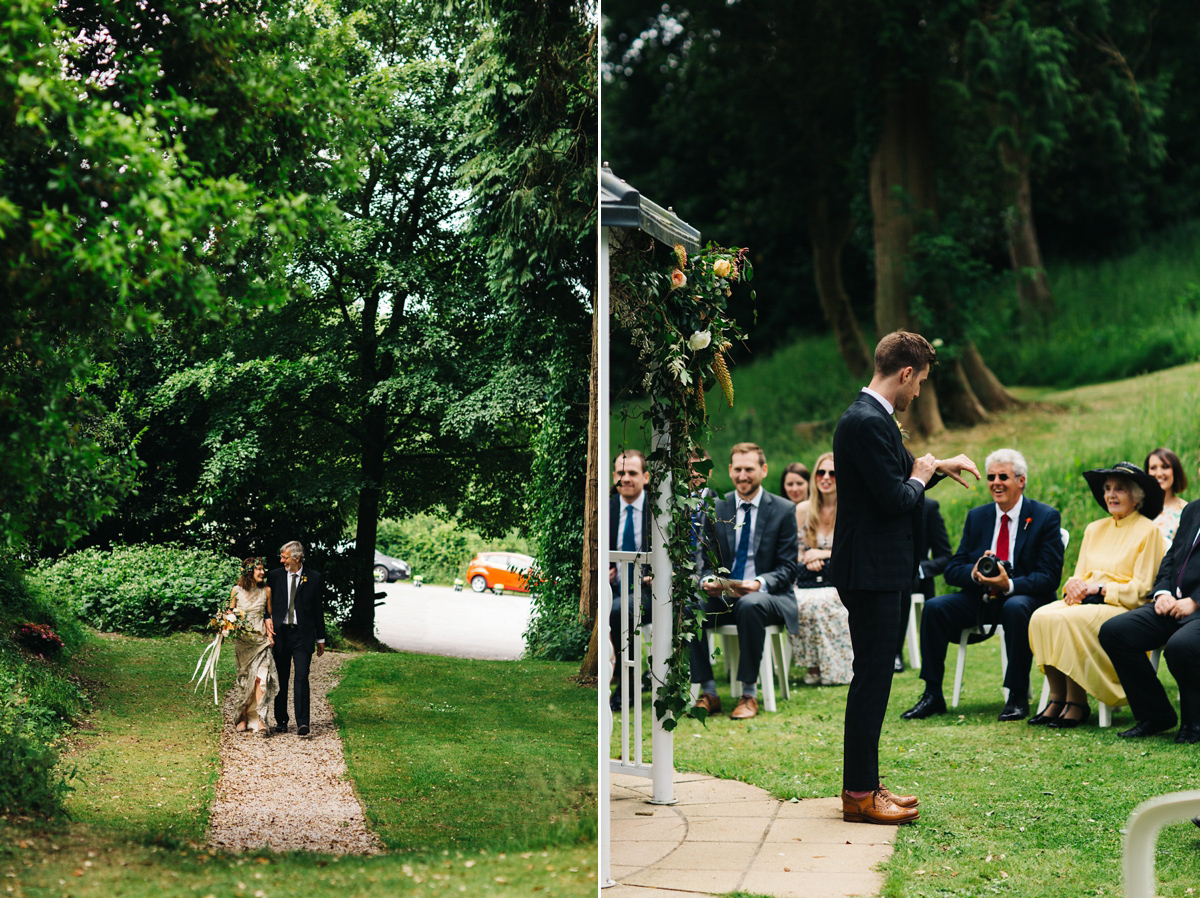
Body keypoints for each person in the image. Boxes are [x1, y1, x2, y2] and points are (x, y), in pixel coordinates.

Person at [829, 330, 979, 825]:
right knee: (872, 678)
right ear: (905, 373)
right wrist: (920, 474)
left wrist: (936, 466)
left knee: (875, 677)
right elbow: (897, 496)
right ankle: (858, 794)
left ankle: (867, 784)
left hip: (878, 568)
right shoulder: (865, 422)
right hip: (870, 571)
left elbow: (896, 481)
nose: (919, 394)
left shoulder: (874, 418)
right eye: (920, 384)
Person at [900, 449, 1064, 722]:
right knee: (934, 607)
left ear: (1021, 481)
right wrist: (975, 573)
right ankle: (932, 694)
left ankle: (1017, 695)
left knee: (1015, 606)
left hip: (1024, 600)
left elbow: (1048, 577)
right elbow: (952, 569)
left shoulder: (1045, 517)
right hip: (981, 597)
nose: (996, 482)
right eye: (990, 477)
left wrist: (1008, 583)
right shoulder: (978, 517)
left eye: (1003, 476)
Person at [1027, 462, 1166, 728]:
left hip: (1122, 608)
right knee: (1040, 616)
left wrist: (1101, 590)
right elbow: (1079, 576)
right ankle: (1057, 698)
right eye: (1108, 489)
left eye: (1120, 489)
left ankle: (1077, 702)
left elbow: (1141, 590)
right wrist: (1073, 586)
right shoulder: (1094, 528)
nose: (1111, 495)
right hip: (1086, 602)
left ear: (1137, 497)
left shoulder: (1149, 531)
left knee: (1066, 620)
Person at [691, 442, 799, 720]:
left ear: (763, 470)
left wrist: (758, 583)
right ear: (729, 470)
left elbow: (788, 568)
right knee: (691, 605)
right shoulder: (717, 506)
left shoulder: (784, 510)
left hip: (769, 595)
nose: (742, 475)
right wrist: (708, 580)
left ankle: (749, 694)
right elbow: (706, 558)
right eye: (737, 469)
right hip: (726, 594)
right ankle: (710, 691)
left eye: (749, 469)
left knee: (750, 604)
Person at [1099, 469, 1200, 743]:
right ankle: (1156, 715)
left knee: (1181, 647)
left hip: (1197, 608)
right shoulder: (1193, 510)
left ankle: (1194, 724)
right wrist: (1163, 592)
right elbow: (1172, 559)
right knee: (1115, 631)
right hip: (1173, 605)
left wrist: (1195, 600)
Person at [790, 452, 852, 686]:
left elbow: (855, 549)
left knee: (825, 602)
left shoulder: (850, 509)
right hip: (807, 579)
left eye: (833, 473)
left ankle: (837, 668)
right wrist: (807, 557)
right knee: (800, 602)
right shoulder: (803, 510)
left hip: (838, 579)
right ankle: (813, 666)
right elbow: (793, 549)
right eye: (821, 472)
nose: (826, 478)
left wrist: (824, 554)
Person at [608, 449, 653, 712]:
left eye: (632, 473)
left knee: (619, 609)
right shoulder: (607, 507)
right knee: (615, 607)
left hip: (648, 591)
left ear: (645, 477)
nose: (625, 478)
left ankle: (628, 679)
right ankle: (623, 673)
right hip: (613, 587)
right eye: (620, 473)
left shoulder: (658, 510)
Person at [269, 541, 327, 736]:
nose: (281, 560)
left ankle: (303, 722)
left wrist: (321, 638)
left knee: (302, 677)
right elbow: (266, 605)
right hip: (281, 634)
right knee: (281, 677)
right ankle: (281, 720)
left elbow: (318, 610)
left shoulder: (314, 578)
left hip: (303, 635)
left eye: (284, 557)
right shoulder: (275, 576)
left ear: (297, 558)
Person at [895, 497, 952, 672]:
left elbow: (945, 557)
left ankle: (894, 653)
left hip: (914, 578)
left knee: (903, 580)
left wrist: (918, 569)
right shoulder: (880, 503)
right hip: (881, 570)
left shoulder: (929, 507)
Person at [229, 557, 280, 734]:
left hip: (260, 641)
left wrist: (271, 633)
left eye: (262, 568)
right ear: (248, 571)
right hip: (243, 643)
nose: (262, 572)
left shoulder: (267, 591)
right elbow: (230, 614)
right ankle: (242, 717)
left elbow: (269, 615)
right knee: (245, 681)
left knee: (262, 678)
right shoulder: (236, 590)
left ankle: (260, 719)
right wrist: (225, 624)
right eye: (258, 569)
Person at [1145, 447, 1188, 543]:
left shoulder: (1186, 510)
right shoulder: (1139, 508)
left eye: (1165, 467)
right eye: (1153, 468)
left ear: (1175, 471)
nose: (1159, 473)